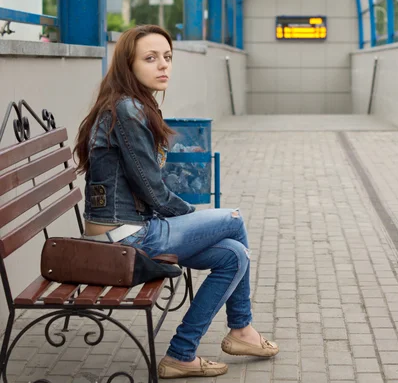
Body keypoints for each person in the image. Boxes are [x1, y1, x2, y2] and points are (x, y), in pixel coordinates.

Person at [73, 24, 278, 379]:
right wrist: (195, 220)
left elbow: (148, 190)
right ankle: (242, 329)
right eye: (150, 58)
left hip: (133, 231)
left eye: (167, 57)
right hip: (125, 238)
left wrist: (193, 224)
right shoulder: (126, 110)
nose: (163, 66)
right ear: (128, 64)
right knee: (232, 218)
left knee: (234, 255)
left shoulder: (132, 105)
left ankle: (181, 354)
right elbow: (154, 191)